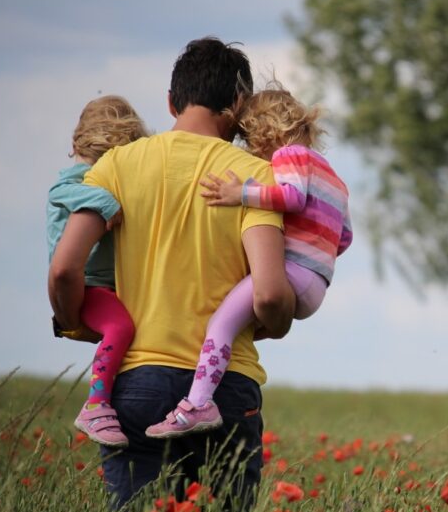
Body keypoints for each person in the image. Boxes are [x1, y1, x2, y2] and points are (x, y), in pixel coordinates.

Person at [48, 37, 296, 512]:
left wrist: (75, 320)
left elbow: (63, 268)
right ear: (239, 105)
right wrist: (278, 322)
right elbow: (268, 294)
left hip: (136, 381)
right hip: (226, 387)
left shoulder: (115, 166)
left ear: (170, 102)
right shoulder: (254, 177)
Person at [146, 84, 352, 438]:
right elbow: (344, 237)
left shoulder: (289, 156)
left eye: (249, 138)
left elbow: (291, 197)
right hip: (317, 283)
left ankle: (197, 404)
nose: (249, 149)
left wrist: (239, 194)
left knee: (220, 325)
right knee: (237, 326)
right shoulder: (334, 178)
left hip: (292, 273)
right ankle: (208, 387)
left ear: (265, 130)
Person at [47, 95, 147, 447]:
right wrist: (107, 202)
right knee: (121, 326)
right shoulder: (76, 181)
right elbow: (64, 192)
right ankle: (96, 403)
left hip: (106, 285)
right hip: (88, 285)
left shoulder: (95, 176)